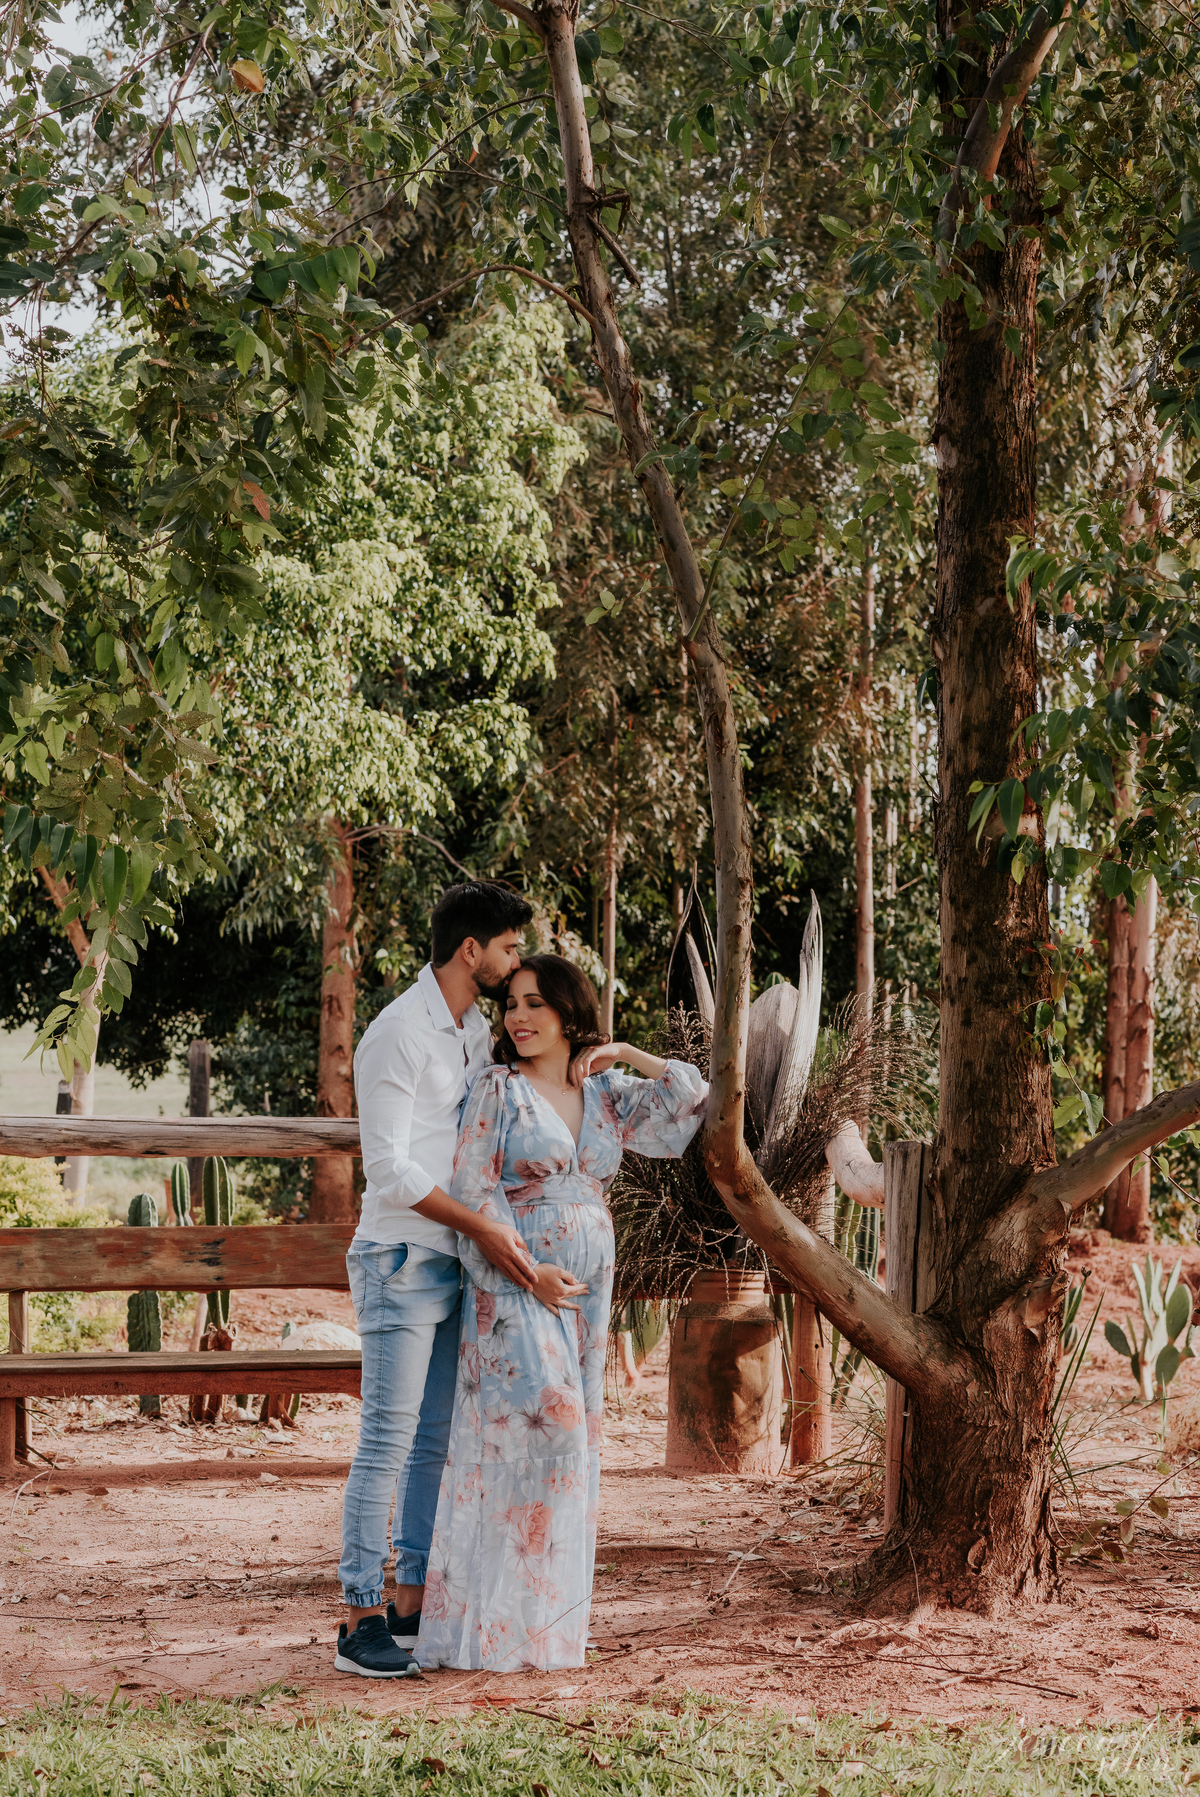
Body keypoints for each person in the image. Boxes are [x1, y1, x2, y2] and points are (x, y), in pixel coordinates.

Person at [416, 954, 708, 1672]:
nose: (517, 1017)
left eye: (534, 1004)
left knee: (571, 1451)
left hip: (587, 1289)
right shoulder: (498, 1088)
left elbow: (690, 1100)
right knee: (550, 1431)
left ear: (568, 1012)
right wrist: (529, 1272)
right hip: (515, 1284)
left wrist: (625, 1052)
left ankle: (542, 1630)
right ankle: (490, 1626)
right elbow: (474, 1190)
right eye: (510, 1004)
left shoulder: (604, 1091)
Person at [334, 880, 536, 1679]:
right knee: (386, 1439)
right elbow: (387, 1168)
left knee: (433, 1442)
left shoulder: (472, 1029)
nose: (515, 961)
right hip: (399, 1258)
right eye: (509, 948)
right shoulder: (397, 1033)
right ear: (470, 949)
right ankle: (359, 1620)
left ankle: (411, 1606)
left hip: (452, 1260)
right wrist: (481, 1225)